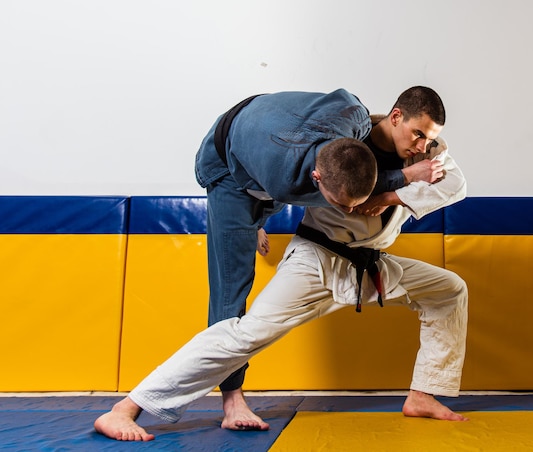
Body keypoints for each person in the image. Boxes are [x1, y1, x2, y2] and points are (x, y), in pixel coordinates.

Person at [94, 86, 470, 442]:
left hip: (369, 266)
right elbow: (287, 182)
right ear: (396, 116)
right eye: (417, 134)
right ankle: (128, 407)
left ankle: (423, 395)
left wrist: (390, 196)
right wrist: (400, 181)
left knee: (449, 290)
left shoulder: (427, 152)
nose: (422, 145)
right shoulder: (345, 147)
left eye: (429, 138)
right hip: (317, 262)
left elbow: (456, 184)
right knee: (243, 335)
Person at [193, 88, 442, 429]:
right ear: (316, 179)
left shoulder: (355, 113)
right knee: (230, 293)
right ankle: (232, 401)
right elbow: (292, 187)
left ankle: (258, 216)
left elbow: (350, 177)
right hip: (229, 167)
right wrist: (405, 177)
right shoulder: (286, 183)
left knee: (294, 172)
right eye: (341, 207)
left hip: (271, 122)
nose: (350, 212)